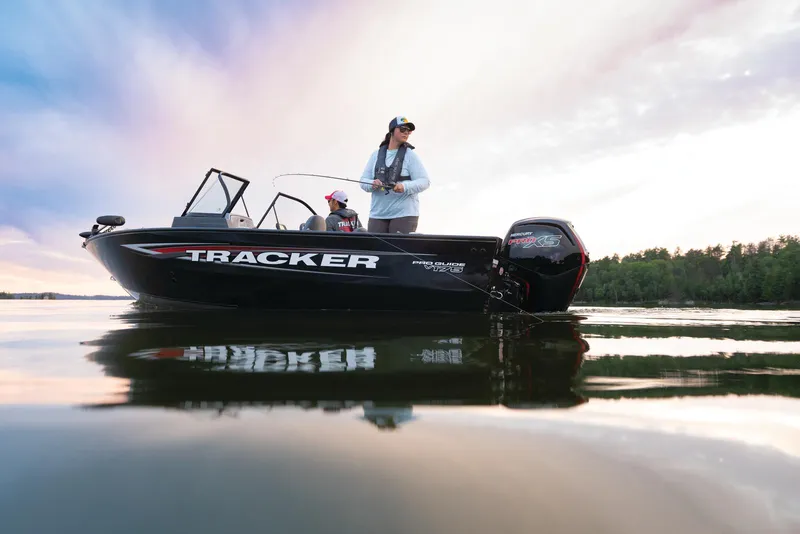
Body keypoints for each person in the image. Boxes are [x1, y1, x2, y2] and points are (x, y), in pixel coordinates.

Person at [359, 115, 430, 234]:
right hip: (378, 214)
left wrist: (404, 187)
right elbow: (363, 181)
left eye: (408, 131)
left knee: (398, 251)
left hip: (404, 214)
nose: (406, 133)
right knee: (374, 250)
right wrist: (372, 183)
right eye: (402, 129)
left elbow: (424, 182)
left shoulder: (410, 155)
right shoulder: (375, 155)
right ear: (392, 131)